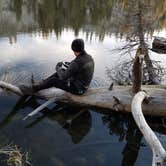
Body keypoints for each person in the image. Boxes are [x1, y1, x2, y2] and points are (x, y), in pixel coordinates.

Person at [20, 39, 94, 95]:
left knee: (54, 80)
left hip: (79, 90)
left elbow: (63, 77)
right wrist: (69, 65)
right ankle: (41, 83)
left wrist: (57, 67)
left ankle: (33, 89)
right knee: (61, 71)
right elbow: (79, 68)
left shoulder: (77, 62)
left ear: (74, 50)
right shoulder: (89, 57)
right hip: (83, 86)